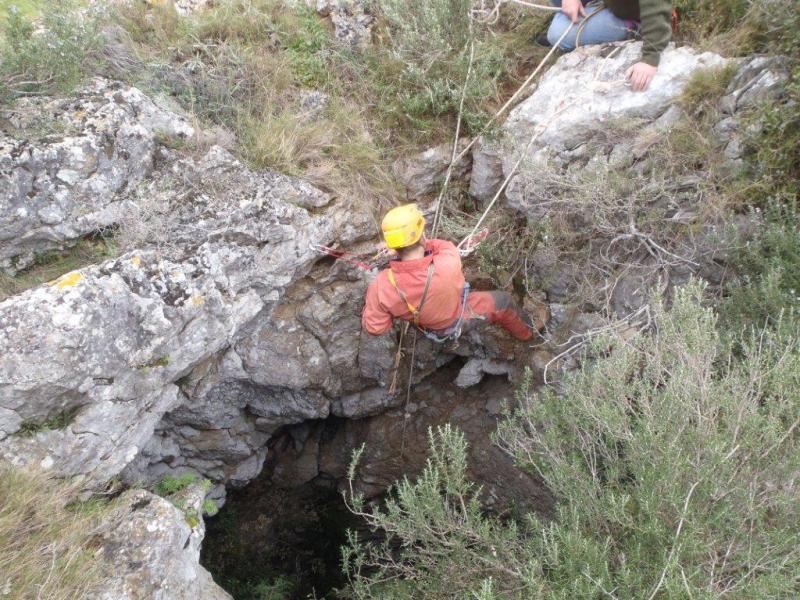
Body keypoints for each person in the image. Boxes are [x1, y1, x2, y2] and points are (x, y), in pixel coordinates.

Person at [362, 204, 534, 341]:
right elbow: (440, 246)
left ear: (392, 245)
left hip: (425, 324)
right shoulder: (446, 261)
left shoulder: (381, 285)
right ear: (421, 237)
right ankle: (528, 335)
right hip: (454, 318)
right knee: (504, 301)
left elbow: (375, 328)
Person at [545, 0, 673, 91]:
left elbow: (656, 9)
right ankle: (582, 12)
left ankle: (632, 28)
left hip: (630, 13)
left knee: (557, 34)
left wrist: (650, 59)